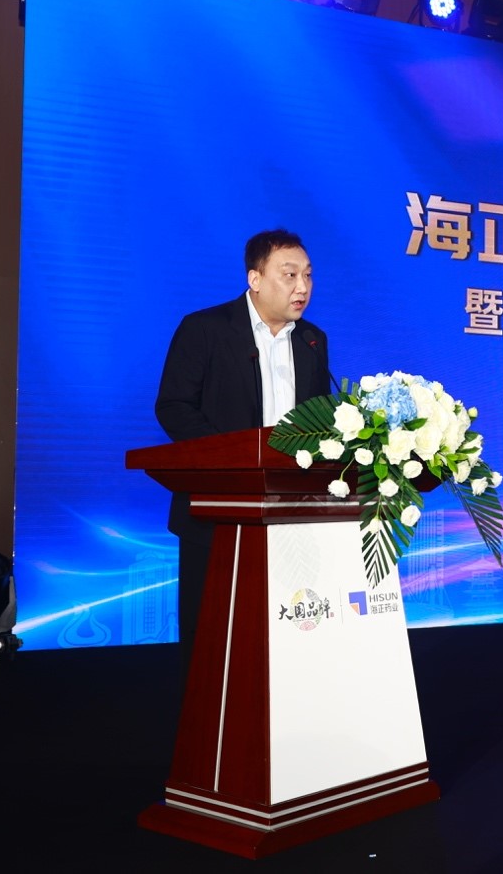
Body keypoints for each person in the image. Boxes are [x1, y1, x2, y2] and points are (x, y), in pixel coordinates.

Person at [155, 228, 333, 676]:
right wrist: (229, 457)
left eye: (308, 275)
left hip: (291, 516)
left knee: (283, 643)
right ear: (255, 278)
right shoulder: (205, 329)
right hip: (216, 512)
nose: (303, 286)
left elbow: (319, 423)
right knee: (212, 645)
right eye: (289, 275)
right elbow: (173, 406)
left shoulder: (312, 341)